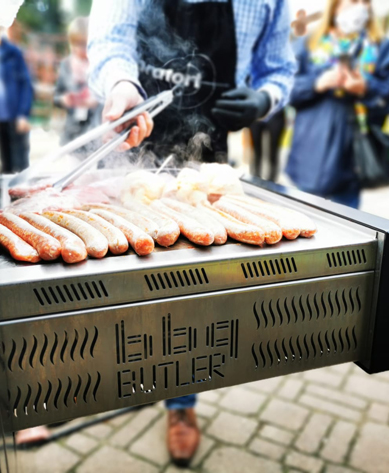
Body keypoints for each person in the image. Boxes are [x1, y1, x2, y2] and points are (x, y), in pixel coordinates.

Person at [87, 0, 295, 466]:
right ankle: (125, 372)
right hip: (130, 140)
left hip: (204, 163)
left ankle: (180, 403)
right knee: (122, 273)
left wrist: (265, 97)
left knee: (190, 290)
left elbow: (280, 68)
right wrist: (121, 82)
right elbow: (110, 36)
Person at [285, 0, 389, 209]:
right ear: (336, 6)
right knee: (304, 226)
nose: (359, 7)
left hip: (352, 158)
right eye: (353, 1)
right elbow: (284, 88)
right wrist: (317, 83)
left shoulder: (382, 48)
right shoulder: (309, 44)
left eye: (365, 2)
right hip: (310, 155)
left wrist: (366, 88)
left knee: (347, 225)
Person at [0, 24, 34, 173]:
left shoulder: (14, 53)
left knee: (21, 164)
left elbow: (25, 84)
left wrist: (23, 114)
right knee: (4, 166)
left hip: (14, 116)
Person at [54, 17, 101, 146]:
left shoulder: (100, 66)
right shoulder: (66, 65)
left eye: (84, 44)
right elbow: (56, 97)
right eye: (76, 44)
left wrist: (95, 101)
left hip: (96, 132)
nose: (80, 49)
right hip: (72, 133)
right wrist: (65, 99)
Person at [250, 108, 286, 182]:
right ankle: (255, 177)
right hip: (257, 115)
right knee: (256, 151)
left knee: (273, 151)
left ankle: (272, 180)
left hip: (276, 114)